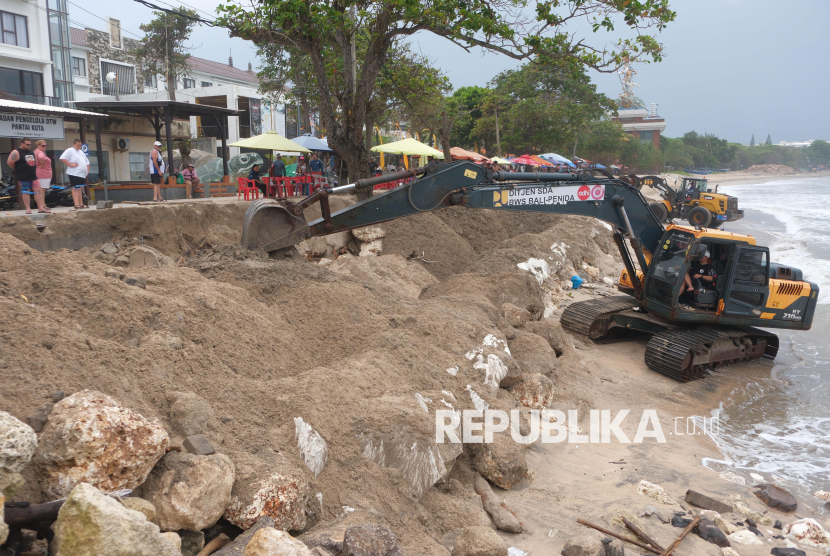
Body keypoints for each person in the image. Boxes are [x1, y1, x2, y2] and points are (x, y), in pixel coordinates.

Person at [6, 137, 43, 215]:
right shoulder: (16, 152)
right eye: (27, 144)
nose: (29, 146)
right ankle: (28, 209)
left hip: (33, 175)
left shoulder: (32, 152)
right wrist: (17, 168)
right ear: (22, 144)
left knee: (38, 190)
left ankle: (40, 207)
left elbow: (35, 162)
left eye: (30, 144)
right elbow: (9, 162)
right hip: (23, 175)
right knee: (26, 192)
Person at [59, 138, 90, 210]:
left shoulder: (81, 152)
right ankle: (76, 204)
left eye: (80, 145)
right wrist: (70, 164)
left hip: (82, 174)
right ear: (74, 144)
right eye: (78, 145)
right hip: (74, 173)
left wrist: (87, 170)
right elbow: (62, 158)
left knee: (80, 188)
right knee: (75, 188)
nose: (79, 147)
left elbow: (87, 162)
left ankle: (81, 203)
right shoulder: (70, 150)